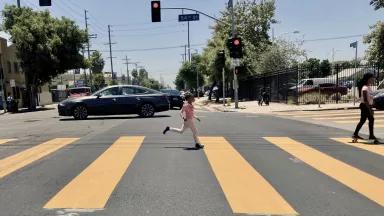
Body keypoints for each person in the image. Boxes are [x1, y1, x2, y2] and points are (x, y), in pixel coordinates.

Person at [353, 72, 376, 141]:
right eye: (372, 78)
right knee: (368, 119)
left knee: (365, 120)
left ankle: (356, 134)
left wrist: (372, 105)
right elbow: (365, 100)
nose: (373, 80)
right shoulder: (364, 88)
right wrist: (370, 109)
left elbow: (370, 98)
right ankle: (370, 135)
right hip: (365, 106)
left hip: (367, 106)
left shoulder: (368, 87)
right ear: (368, 79)